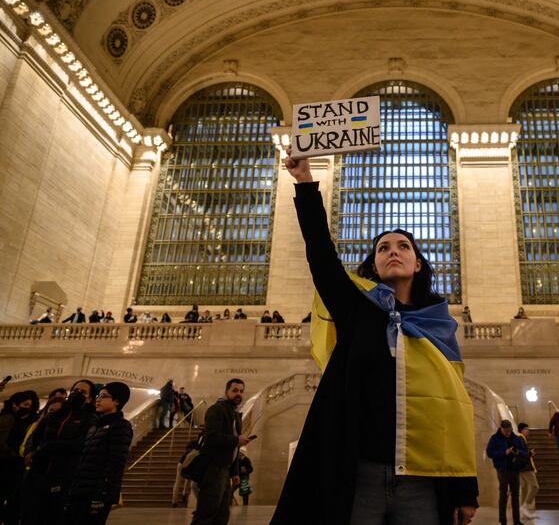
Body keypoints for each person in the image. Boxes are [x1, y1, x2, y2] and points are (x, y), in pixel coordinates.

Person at [272, 152, 478, 525]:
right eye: (383, 248)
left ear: (417, 264)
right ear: (374, 265)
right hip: (361, 474)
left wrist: (466, 489)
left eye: (403, 246)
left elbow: (451, 413)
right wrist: (305, 182)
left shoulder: (439, 326)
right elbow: (321, 255)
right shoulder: (357, 312)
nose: (393, 252)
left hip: (422, 479)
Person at [23, 385, 94, 524]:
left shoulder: (88, 420)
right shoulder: (54, 415)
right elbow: (35, 436)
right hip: (38, 473)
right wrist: (30, 451)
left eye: (83, 392)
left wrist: (48, 446)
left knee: (53, 516)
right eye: (75, 390)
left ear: (90, 398)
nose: (77, 394)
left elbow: (79, 445)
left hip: (63, 476)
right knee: (29, 515)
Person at [68, 382, 132, 525]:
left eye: (103, 396)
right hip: (80, 490)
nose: (98, 399)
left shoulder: (121, 426)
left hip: (97, 493)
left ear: (116, 401)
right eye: (97, 395)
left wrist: (102, 493)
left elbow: (116, 462)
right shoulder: (95, 426)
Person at [191, 378, 249, 525]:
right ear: (226, 392)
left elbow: (234, 447)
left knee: (222, 515)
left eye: (241, 391)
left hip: (225, 469)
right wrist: (237, 440)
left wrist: (235, 472)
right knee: (206, 513)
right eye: (235, 390)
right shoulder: (217, 409)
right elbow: (211, 437)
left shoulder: (235, 414)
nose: (238, 394)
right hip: (213, 469)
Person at [0, 391, 37, 524]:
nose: (27, 407)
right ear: (16, 404)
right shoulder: (9, 417)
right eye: (25, 404)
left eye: (29, 405)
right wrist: (12, 453)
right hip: (4, 463)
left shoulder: (11, 416)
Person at [486, 420, 527, 525]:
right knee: (503, 494)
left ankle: (516, 520)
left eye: (509, 431)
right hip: (502, 470)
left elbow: (524, 451)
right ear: (501, 429)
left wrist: (518, 452)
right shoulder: (494, 439)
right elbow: (490, 453)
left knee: (515, 495)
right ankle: (502, 519)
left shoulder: (516, 438)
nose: (508, 433)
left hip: (514, 469)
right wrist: (504, 452)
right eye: (506, 431)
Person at [517, 423, 539, 519]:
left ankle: (522, 511)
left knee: (524, 488)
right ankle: (525, 506)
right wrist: (529, 453)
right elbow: (518, 452)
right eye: (526, 429)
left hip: (520, 467)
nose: (528, 430)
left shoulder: (521, 439)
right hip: (525, 467)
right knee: (535, 487)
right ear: (521, 430)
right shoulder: (520, 438)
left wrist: (529, 453)